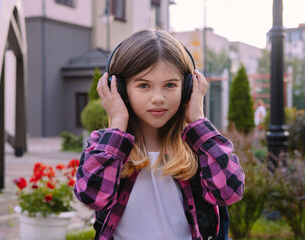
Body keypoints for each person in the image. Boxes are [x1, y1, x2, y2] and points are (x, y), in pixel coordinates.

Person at [74, 28, 245, 240]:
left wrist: (198, 120)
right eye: (144, 85)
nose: (158, 98)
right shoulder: (106, 146)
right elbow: (91, 197)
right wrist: (117, 123)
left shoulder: (197, 149)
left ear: (187, 89)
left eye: (170, 85)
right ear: (119, 89)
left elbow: (230, 191)